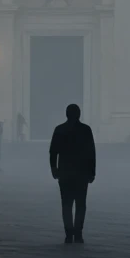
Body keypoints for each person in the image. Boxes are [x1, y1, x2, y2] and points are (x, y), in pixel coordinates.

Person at [50, 103, 96, 244]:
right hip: (81, 173)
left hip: (64, 173)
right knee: (81, 204)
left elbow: (53, 152)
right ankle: (78, 233)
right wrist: (92, 172)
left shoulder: (59, 129)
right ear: (79, 114)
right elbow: (91, 152)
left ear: (66, 114)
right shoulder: (86, 130)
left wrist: (54, 169)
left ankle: (68, 234)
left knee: (67, 204)